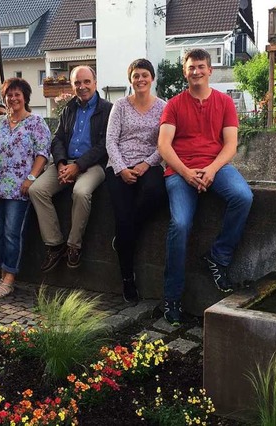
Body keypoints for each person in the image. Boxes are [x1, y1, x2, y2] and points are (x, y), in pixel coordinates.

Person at [157, 48, 253, 325]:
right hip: (180, 170)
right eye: (191, 67)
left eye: (201, 66)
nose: (196, 71)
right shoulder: (174, 104)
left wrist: (210, 170)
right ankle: (172, 298)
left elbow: (231, 145)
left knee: (243, 197)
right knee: (181, 224)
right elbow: (164, 146)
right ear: (184, 72)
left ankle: (218, 257)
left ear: (210, 70)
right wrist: (186, 173)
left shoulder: (224, 103)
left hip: (216, 167)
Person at [29, 66, 112, 271]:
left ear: (95, 82)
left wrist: (79, 166)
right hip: (65, 164)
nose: (82, 87)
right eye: (77, 83)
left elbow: (104, 145)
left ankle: (74, 245)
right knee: (36, 190)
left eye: (86, 82)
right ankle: (55, 244)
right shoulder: (69, 108)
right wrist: (60, 164)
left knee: (81, 192)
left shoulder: (107, 109)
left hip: (92, 166)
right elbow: (57, 138)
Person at [105, 59, 167, 304]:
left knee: (157, 193)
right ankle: (127, 280)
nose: (140, 80)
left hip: (148, 164)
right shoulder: (120, 105)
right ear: (130, 80)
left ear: (152, 78)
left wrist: (147, 163)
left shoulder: (163, 106)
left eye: (144, 75)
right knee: (122, 217)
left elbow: (164, 144)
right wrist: (121, 169)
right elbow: (111, 140)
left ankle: (124, 237)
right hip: (119, 165)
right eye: (135, 76)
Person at [0, 78, 51, 298]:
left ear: (25, 97)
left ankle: (9, 278)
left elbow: (43, 152)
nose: (13, 98)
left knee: (13, 233)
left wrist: (31, 177)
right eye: (9, 95)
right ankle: (3, 272)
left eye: (17, 94)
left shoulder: (36, 122)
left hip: (19, 188)